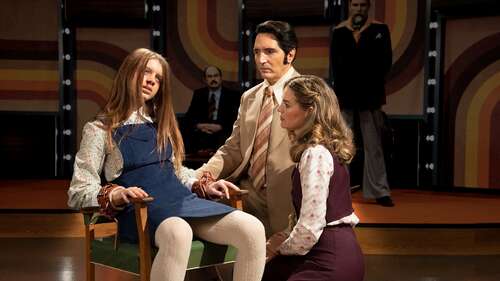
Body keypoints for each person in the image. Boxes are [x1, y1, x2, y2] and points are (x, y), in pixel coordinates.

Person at [67, 48, 265, 281]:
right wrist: (116, 194)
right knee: (178, 232)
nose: (152, 80)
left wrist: (202, 186)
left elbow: (176, 173)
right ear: (128, 73)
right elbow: (77, 192)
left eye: (158, 78)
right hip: (142, 209)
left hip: (182, 201)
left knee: (252, 229)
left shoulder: (161, 126)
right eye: (146, 72)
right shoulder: (100, 129)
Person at [196, 20, 299, 236]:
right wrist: (197, 176)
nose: (261, 60)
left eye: (270, 52)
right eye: (257, 52)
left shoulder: (309, 94)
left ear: (290, 55)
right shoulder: (249, 97)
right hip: (246, 194)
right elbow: (233, 149)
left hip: (289, 200)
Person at [263, 75, 364, 281]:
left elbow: (309, 230)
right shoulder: (322, 150)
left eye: (287, 104)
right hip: (330, 253)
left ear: (310, 111)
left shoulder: (315, 153)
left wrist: (278, 248)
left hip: (328, 260)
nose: (279, 109)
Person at [330, 0, 394, 206]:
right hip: (345, 97)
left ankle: (380, 191)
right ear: (350, 6)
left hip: (370, 97)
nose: (359, 9)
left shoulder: (380, 30)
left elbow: (385, 62)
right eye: (355, 5)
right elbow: (336, 66)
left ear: (369, 7)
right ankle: (340, 191)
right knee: (342, 144)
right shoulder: (339, 32)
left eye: (363, 5)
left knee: (373, 145)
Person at [183, 65, 241, 155]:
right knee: (187, 132)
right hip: (203, 132)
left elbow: (235, 118)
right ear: (205, 80)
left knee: (226, 137)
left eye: (216, 76)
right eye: (210, 76)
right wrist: (200, 126)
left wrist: (220, 127)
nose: (213, 79)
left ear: (221, 78)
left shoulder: (232, 95)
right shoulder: (199, 94)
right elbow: (189, 116)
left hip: (223, 131)